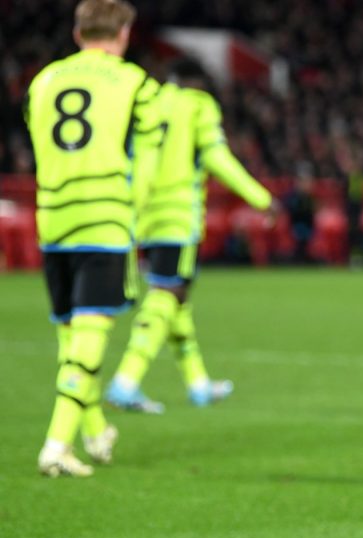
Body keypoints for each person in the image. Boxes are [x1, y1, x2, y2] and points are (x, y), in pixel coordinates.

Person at [24, 0, 162, 477]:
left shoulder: (43, 80)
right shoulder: (136, 83)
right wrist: (133, 209)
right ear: (123, 33)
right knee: (91, 335)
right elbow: (148, 159)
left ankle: (95, 429)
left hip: (53, 216)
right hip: (103, 217)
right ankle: (56, 445)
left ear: (78, 33)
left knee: (72, 337)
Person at [106, 57, 276, 412]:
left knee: (177, 300)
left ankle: (197, 383)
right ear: (196, 82)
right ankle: (126, 380)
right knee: (167, 294)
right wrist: (261, 198)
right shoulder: (198, 105)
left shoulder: (149, 101)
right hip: (178, 214)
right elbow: (217, 158)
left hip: (144, 211)